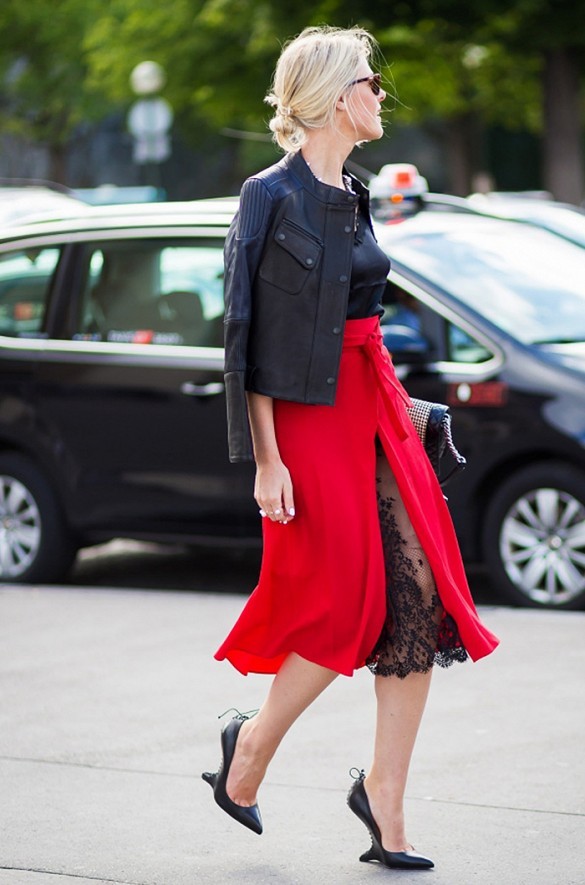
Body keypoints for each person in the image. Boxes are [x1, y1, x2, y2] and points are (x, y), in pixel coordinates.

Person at [202, 25, 499, 871]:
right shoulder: (268, 195)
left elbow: (360, 315)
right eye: (370, 82)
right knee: (341, 605)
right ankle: (250, 747)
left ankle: (384, 798)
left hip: (373, 402)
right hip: (304, 420)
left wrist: (398, 401)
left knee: (417, 599)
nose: (380, 94)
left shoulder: (356, 191)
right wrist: (266, 458)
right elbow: (244, 336)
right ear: (337, 97)